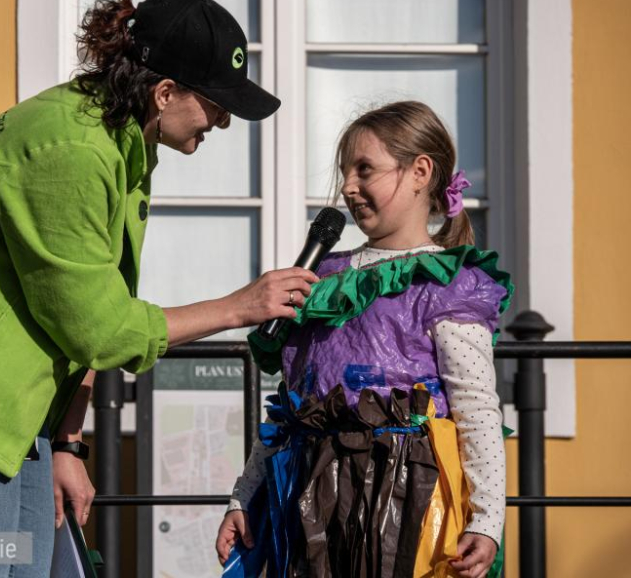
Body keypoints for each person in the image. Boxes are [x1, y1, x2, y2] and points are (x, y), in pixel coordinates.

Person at [0, 0, 317, 576]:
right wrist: (237, 307)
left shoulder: (120, 140)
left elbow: (89, 304)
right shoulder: (70, 150)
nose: (222, 121)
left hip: (11, 401)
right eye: (216, 104)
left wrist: (68, 443)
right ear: (165, 92)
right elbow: (100, 330)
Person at [215, 101, 514, 578]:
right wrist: (245, 494)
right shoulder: (321, 277)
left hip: (407, 499)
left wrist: (487, 521)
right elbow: (290, 408)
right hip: (311, 498)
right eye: (344, 172)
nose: (348, 187)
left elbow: (476, 409)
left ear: (420, 172)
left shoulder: (445, 284)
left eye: (364, 169)